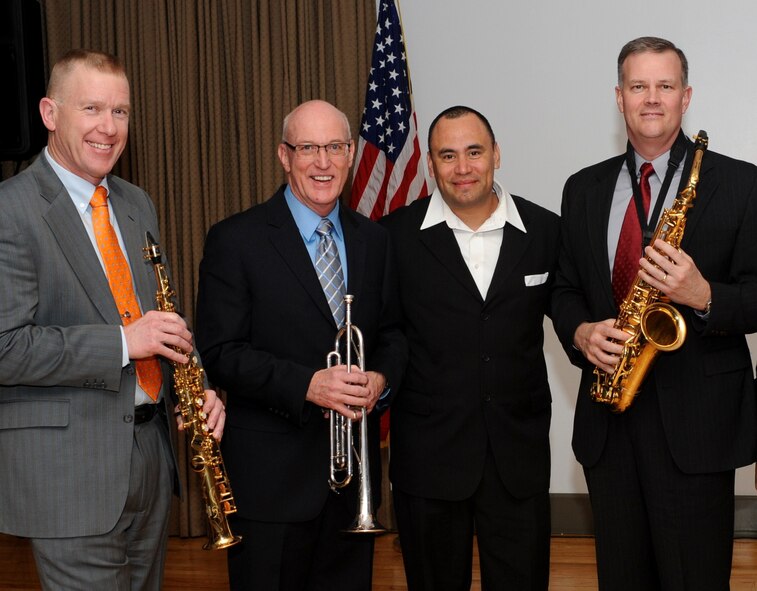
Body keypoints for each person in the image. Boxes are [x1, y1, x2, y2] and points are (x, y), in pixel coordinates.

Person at [0, 49, 226, 590]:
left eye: (120, 112)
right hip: (67, 476)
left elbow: (162, 314)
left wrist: (199, 386)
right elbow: (6, 346)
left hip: (149, 459)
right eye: (92, 109)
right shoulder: (12, 209)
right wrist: (123, 343)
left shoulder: (134, 202)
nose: (109, 128)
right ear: (50, 114)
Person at [552, 36, 757, 591]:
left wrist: (703, 294)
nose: (651, 98)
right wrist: (580, 330)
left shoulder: (740, 183)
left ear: (686, 97)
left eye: (664, 86)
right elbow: (564, 289)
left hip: (698, 424)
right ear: (618, 97)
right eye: (638, 86)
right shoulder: (583, 188)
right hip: (609, 419)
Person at [194, 99, 407, 591]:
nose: (322, 162)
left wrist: (381, 378)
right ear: (283, 156)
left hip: (353, 486)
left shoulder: (374, 240)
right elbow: (221, 352)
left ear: (351, 153)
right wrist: (307, 384)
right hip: (270, 487)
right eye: (307, 148)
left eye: (334, 146)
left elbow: (394, 333)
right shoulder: (236, 239)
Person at [381, 105, 560, 590]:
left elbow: (570, 313)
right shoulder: (392, 238)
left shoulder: (546, 232)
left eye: (474, 152)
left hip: (517, 461)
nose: (463, 168)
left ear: (497, 155)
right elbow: (384, 335)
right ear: (431, 165)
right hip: (428, 462)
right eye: (448, 155)